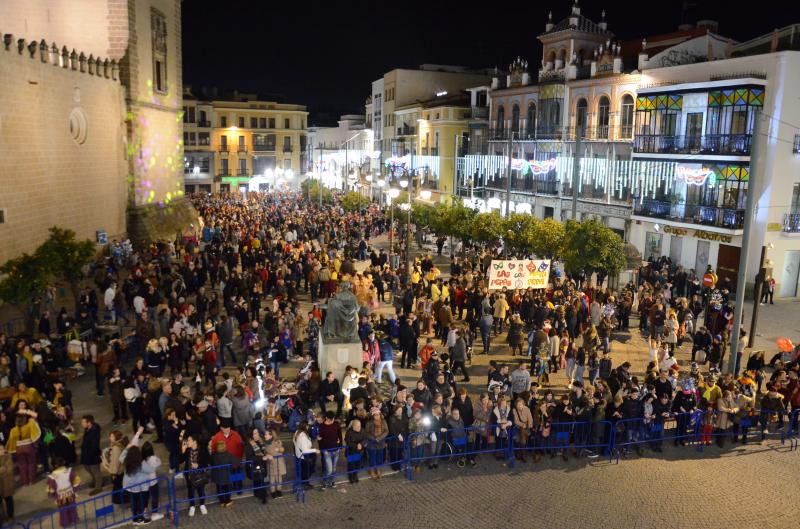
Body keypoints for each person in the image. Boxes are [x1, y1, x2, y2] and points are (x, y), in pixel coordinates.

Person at [120, 443, 155, 525]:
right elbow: (151, 470)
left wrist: (126, 448)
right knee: (142, 503)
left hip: (130, 487)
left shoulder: (126, 461)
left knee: (134, 503)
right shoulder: (141, 463)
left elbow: (120, 457)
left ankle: (135, 519)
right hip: (141, 487)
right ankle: (142, 518)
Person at [46, 457, 80, 528]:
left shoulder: (52, 476)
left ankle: (65, 523)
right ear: (64, 462)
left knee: (62, 510)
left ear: (55, 465)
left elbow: (51, 488)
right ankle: (74, 519)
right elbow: (76, 481)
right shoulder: (69, 471)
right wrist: (76, 490)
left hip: (60, 497)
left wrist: (52, 496)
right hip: (70, 494)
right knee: (72, 507)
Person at [181, 434, 209, 517]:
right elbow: (180, 461)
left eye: (189, 440)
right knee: (191, 491)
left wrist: (198, 465)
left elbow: (206, 461)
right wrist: (183, 450)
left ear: (195, 441)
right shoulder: (187, 450)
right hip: (189, 474)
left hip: (200, 474)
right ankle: (192, 506)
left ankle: (202, 504)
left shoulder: (203, 449)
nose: (187, 442)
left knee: (201, 490)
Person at [317, 411, 343, 489]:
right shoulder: (322, 426)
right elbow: (320, 439)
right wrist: (322, 449)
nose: (332, 421)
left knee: (334, 468)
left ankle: (332, 481)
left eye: (333, 419)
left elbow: (340, 435)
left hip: (336, 450)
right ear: (326, 418)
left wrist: (340, 445)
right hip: (327, 451)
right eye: (330, 420)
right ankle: (325, 482)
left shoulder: (336, 424)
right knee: (329, 469)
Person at [80, 415, 103, 495]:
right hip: (86, 454)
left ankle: (98, 487)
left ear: (89, 423)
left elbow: (94, 446)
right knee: (87, 468)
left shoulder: (94, 432)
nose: (81, 423)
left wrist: (91, 454)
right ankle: (95, 481)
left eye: (83, 422)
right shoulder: (87, 429)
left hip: (92, 455)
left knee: (95, 471)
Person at [293, 422, 319, 490]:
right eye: (307, 426)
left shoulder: (297, 432)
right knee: (306, 471)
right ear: (305, 427)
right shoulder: (303, 436)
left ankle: (304, 483)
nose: (308, 427)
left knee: (304, 471)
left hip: (299, 455)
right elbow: (305, 450)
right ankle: (305, 484)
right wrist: (315, 450)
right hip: (304, 456)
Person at [344, 419, 365, 484]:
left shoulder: (362, 431)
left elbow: (365, 439)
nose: (359, 428)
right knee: (351, 465)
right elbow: (348, 442)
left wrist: (361, 444)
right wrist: (356, 445)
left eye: (359, 426)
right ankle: (351, 476)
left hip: (359, 452)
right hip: (351, 452)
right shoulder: (349, 432)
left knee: (357, 464)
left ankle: (355, 475)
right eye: (357, 426)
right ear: (353, 426)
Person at [0, 446, 16, 522]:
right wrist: (3, 469)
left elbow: (9, 469)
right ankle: (2, 517)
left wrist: (3, 469)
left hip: (7, 484)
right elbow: (4, 469)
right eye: (0, 450)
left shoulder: (8, 457)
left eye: (2, 449)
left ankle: (10, 516)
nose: (2, 451)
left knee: (9, 500)